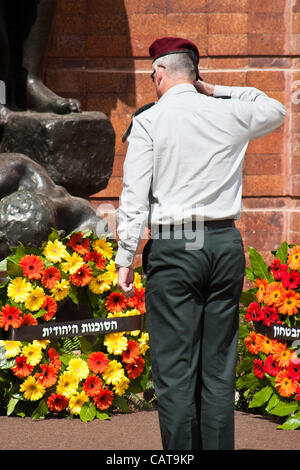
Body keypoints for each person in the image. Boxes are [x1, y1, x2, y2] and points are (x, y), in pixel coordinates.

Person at [115, 36, 286, 450]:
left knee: (175, 371)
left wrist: (125, 257)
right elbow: (275, 108)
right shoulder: (226, 111)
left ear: (158, 72)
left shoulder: (150, 120)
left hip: (176, 244)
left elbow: (134, 197)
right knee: (218, 367)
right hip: (224, 242)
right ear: (193, 73)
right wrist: (214, 90)